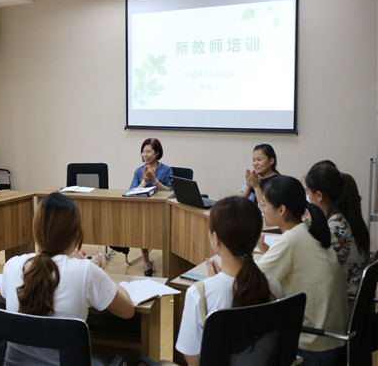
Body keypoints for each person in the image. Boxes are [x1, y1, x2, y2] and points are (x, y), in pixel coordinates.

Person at [0, 192, 134, 366]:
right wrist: (97, 270)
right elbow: (127, 310)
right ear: (76, 233)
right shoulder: (85, 271)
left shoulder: (12, 266)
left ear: (36, 231)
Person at [175, 196, 284, 365]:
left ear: (216, 238)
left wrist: (213, 284)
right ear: (256, 238)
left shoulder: (200, 294)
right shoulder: (273, 287)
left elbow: (192, 356)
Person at [256, 176, 347, 365]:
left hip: (312, 345)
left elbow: (250, 281)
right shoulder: (307, 230)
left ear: (281, 210)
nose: (261, 209)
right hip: (333, 340)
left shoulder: (290, 240)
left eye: (264, 204)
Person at [305, 164, 370, 297]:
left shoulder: (333, 230)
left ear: (319, 195)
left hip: (342, 302)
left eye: (308, 192)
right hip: (356, 299)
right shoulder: (348, 219)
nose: (308, 198)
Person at [129, 138, 172, 276]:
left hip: (162, 210)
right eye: (143, 152)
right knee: (141, 227)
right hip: (143, 209)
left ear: (157, 153)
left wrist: (155, 181)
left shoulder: (166, 170)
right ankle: (146, 261)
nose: (145, 155)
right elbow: (131, 191)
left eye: (148, 152)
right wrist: (144, 181)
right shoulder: (139, 171)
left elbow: (171, 192)